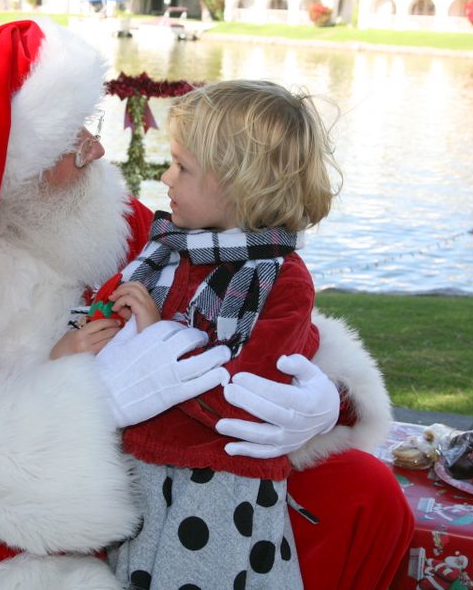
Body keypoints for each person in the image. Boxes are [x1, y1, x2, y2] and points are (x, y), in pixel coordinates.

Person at [0, 19, 413, 590]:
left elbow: (251, 309)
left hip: (173, 469)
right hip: (2, 525)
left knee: (362, 493)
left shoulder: (107, 219)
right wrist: (94, 403)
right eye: (71, 142)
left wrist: (321, 397)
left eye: (89, 123)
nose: (97, 150)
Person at [87, 79, 333, 589]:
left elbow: (247, 405)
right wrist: (95, 333)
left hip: (217, 495)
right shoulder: (164, 254)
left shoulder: (282, 280)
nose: (166, 176)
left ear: (239, 184)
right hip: (140, 479)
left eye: (182, 166)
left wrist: (156, 340)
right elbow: (99, 328)